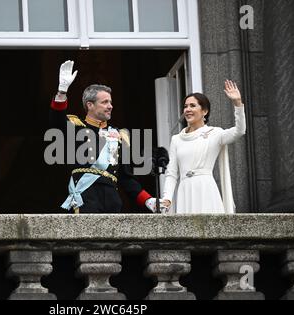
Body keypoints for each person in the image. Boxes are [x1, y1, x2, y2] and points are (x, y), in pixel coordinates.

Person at [49, 60, 159, 213]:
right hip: (85, 199)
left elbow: (126, 177)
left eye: (111, 102)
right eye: (105, 102)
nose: (110, 106)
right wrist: (62, 92)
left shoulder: (118, 135)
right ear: (90, 105)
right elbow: (56, 120)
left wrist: (147, 199)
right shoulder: (76, 127)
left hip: (112, 201)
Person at [160, 80, 246, 214]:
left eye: (193, 106)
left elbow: (239, 131)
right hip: (185, 191)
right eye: (185, 106)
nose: (187, 109)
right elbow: (171, 173)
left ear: (204, 111)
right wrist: (167, 198)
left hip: (206, 189)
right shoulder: (176, 139)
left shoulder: (214, 133)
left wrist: (237, 104)